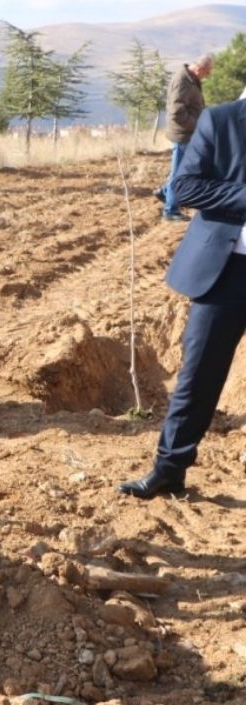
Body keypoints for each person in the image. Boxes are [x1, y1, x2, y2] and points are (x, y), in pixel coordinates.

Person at [120, 97, 246, 500]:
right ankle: (169, 468)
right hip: (225, 272)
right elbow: (185, 186)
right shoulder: (222, 119)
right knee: (199, 375)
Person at [157, 53, 213, 222]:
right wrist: (198, 125)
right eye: (207, 73)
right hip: (183, 134)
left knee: (183, 169)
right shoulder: (182, 81)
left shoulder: (191, 78)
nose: (207, 76)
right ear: (200, 68)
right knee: (180, 173)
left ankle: (165, 192)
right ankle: (171, 210)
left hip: (188, 132)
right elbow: (176, 112)